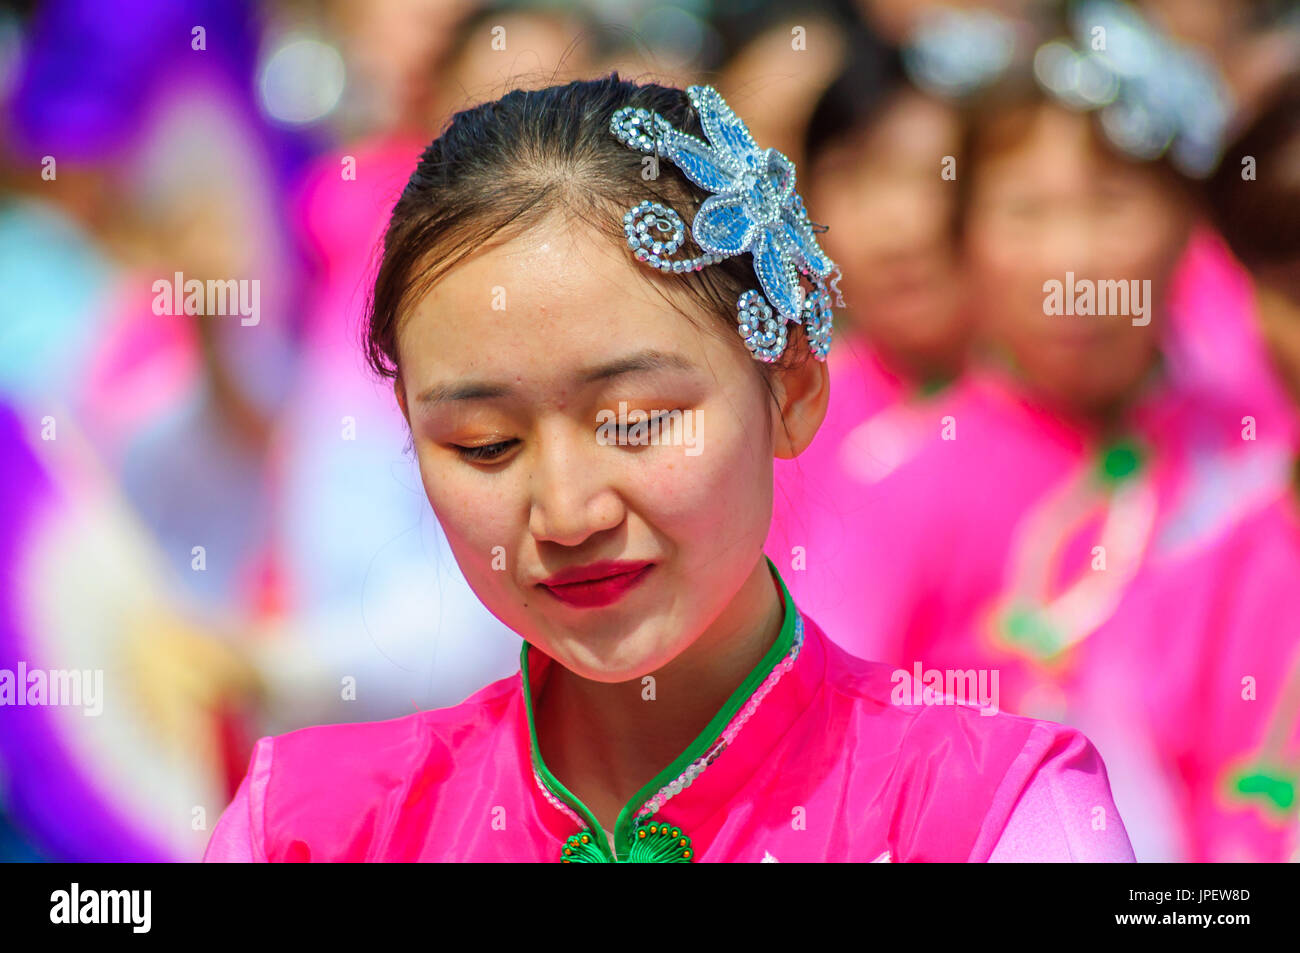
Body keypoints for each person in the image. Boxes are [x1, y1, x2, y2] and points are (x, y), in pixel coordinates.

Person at [204, 75, 1133, 862]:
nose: (568, 513)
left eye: (638, 421)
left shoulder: (990, 816)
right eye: (485, 443)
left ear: (792, 387)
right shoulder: (308, 828)